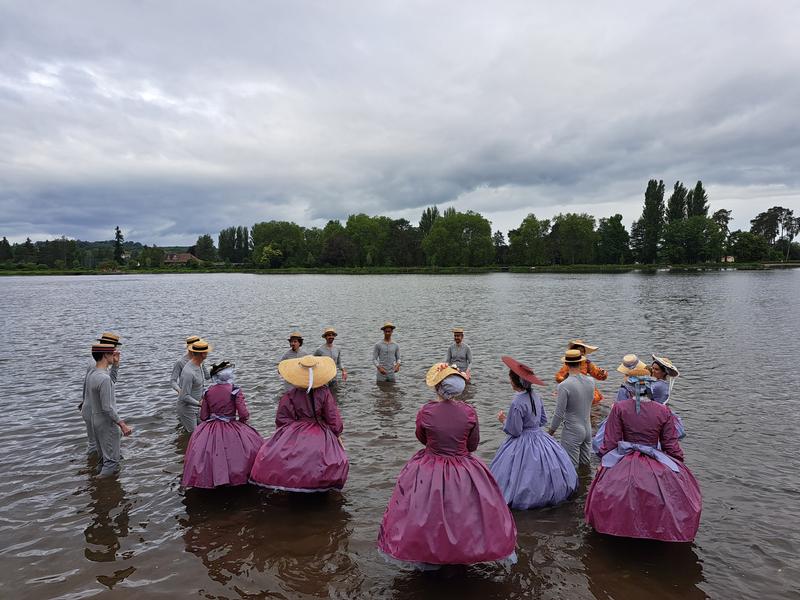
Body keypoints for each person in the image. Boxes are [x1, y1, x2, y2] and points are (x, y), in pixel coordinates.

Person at [377, 363, 517, 567]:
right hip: (464, 468)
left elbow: (421, 438)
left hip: (430, 466)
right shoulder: (469, 411)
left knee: (425, 510)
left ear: (437, 387)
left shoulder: (426, 411)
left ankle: (430, 551)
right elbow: (473, 445)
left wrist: (437, 445)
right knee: (466, 511)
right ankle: (465, 549)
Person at [584, 365, 702, 542]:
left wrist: (604, 462)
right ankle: (654, 531)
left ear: (630, 387)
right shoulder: (663, 410)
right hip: (654, 457)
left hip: (624, 458)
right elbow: (670, 445)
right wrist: (678, 463)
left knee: (611, 493)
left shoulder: (620, 408)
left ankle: (619, 529)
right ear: (649, 386)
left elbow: (610, 441)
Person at [250, 355, 348, 492]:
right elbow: (333, 418)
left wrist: (286, 435)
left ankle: (294, 486)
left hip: (295, 430)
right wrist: (336, 433)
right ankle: (319, 486)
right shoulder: (324, 393)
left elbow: (282, 419)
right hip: (320, 431)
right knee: (326, 461)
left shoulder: (290, 394)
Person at [490, 356, 577, 509]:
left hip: (523, 439)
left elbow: (515, 431)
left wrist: (503, 420)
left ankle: (520, 498)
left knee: (514, 473)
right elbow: (542, 420)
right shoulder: (536, 396)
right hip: (540, 436)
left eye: (510, 379)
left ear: (515, 382)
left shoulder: (517, 401)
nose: (509, 381)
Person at [182, 361, 263, 489]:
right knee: (243, 450)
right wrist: (242, 423)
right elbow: (243, 414)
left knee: (207, 452)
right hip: (231, 424)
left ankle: (211, 479)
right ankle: (237, 479)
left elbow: (203, 416)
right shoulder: (235, 390)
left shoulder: (208, 391)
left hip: (211, 427)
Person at [83, 342, 132, 477]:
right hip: (107, 424)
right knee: (111, 463)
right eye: (112, 353)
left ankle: (95, 485)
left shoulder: (93, 374)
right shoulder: (103, 378)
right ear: (105, 355)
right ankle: (100, 483)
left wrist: (115, 365)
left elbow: (110, 382)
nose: (115, 354)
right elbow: (107, 407)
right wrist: (122, 424)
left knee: (102, 460)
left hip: (96, 421)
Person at [549, 349, 595, 470]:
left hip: (572, 430)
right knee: (585, 466)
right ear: (580, 363)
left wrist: (550, 432)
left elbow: (559, 414)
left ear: (566, 364)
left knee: (571, 468)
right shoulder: (591, 381)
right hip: (588, 428)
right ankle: (588, 482)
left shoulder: (564, 386)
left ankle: (577, 483)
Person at [80, 332, 122, 457]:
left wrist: (115, 366)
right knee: (95, 445)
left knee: (97, 444)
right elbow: (106, 383)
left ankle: (92, 465)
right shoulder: (96, 364)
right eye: (114, 348)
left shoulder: (97, 362)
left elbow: (109, 383)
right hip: (94, 409)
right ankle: (96, 464)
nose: (116, 350)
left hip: (90, 407)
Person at [554, 339, 607, 405]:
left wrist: (602, 373)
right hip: (573, 386)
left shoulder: (587, 363)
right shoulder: (568, 365)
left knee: (595, 400)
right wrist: (564, 379)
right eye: (579, 351)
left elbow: (597, 374)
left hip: (585, 385)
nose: (581, 353)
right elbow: (558, 377)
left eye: (582, 351)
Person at [178, 339, 212, 433]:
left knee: (204, 432)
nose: (208, 354)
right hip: (187, 409)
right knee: (194, 436)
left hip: (197, 407)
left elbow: (205, 380)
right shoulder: (189, 372)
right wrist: (201, 404)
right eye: (206, 352)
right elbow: (184, 396)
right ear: (203, 354)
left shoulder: (199, 365)